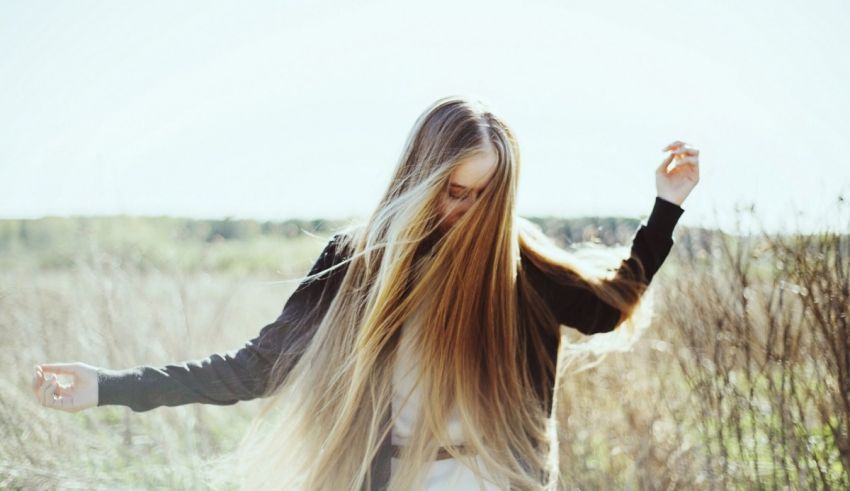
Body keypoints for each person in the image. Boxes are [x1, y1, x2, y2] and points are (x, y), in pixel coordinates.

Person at [32, 95, 699, 491]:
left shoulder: (518, 270)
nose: (465, 211)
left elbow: (610, 304)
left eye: (484, 197)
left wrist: (665, 207)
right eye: (453, 191)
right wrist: (109, 386)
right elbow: (257, 367)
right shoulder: (359, 264)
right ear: (422, 174)